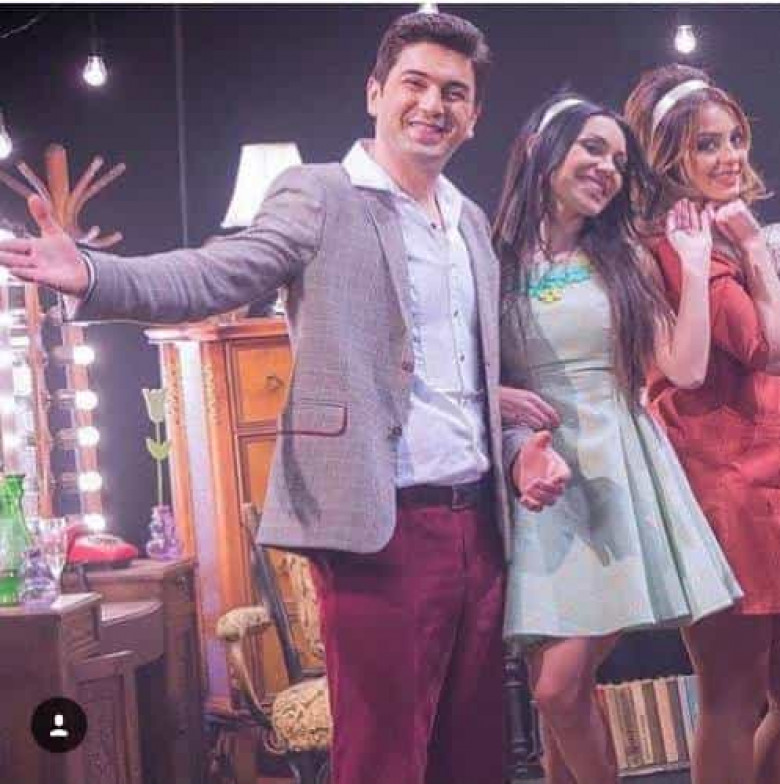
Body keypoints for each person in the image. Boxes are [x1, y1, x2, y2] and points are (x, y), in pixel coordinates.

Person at [0, 12, 568, 784]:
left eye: (454, 92)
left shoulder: (469, 222)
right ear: (375, 93)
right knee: (384, 758)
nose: (433, 104)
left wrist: (516, 445)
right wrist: (97, 273)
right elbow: (218, 272)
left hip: (479, 523)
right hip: (381, 526)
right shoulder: (321, 194)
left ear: (473, 117)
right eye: (415, 83)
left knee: (472, 756)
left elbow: (467, 376)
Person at [493, 93, 743, 784]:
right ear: (542, 149)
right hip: (531, 482)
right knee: (558, 699)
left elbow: (685, 368)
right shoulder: (490, 255)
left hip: (615, 472)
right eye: (593, 148)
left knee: (557, 689)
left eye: (618, 159)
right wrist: (496, 403)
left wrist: (695, 265)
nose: (607, 167)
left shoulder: (622, 257)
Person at [625, 63, 780, 784]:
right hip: (726, 491)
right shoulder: (677, 245)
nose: (730, 157)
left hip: (763, 476)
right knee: (730, 696)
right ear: (669, 159)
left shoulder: (719, 234)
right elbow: (766, 345)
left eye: (735, 140)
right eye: (706, 145)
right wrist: (755, 253)